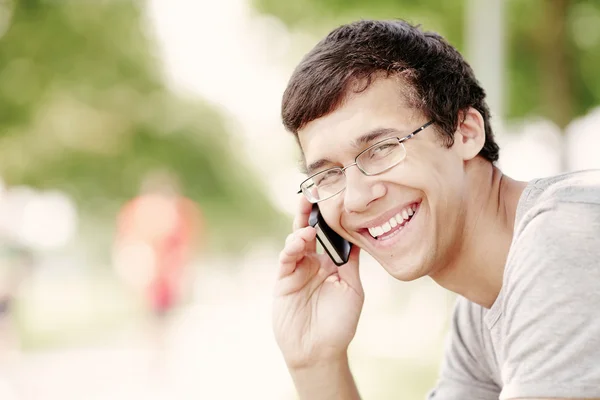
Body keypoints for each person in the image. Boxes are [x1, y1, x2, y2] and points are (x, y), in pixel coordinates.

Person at [272, 19, 600, 400]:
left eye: (381, 150)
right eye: (328, 175)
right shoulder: (478, 314)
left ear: (465, 133)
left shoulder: (567, 237)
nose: (357, 198)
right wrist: (315, 361)